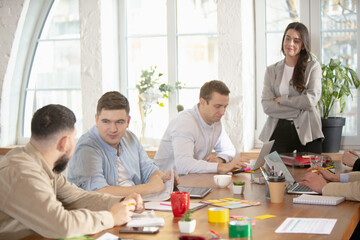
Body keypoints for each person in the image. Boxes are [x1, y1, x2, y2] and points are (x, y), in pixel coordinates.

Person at [0, 104, 143, 240]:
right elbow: (62, 224)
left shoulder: (40, 165)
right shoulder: (22, 173)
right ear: (65, 143)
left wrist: (122, 201)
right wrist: (111, 217)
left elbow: (78, 198)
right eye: (74, 137)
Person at [67, 91, 178, 197]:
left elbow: (150, 171)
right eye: (106, 121)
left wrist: (164, 178)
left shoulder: (130, 138)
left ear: (128, 121)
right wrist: (149, 188)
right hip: (103, 212)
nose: (113, 129)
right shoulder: (87, 147)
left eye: (119, 122)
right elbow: (98, 192)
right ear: (96, 119)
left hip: (138, 206)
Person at [153, 80, 249, 175]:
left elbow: (229, 150)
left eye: (225, 107)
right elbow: (183, 165)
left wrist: (219, 160)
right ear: (202, 102)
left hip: (191, 181)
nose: (222, 112)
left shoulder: (215, 122)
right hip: (166, 185)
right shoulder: (185, 123)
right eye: (218, 106)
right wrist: (221, 167)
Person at [259, 22, 324, 154]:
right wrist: (299, 110)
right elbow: (267, 106)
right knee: (275, 172)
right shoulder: (271, 70)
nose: (290, 44)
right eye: (287, 38)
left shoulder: (313, 67)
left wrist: (283, 100)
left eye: (296, 40)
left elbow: (310, 101)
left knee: (312, 173)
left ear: (303, 45)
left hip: (308, 130)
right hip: (279, 129)